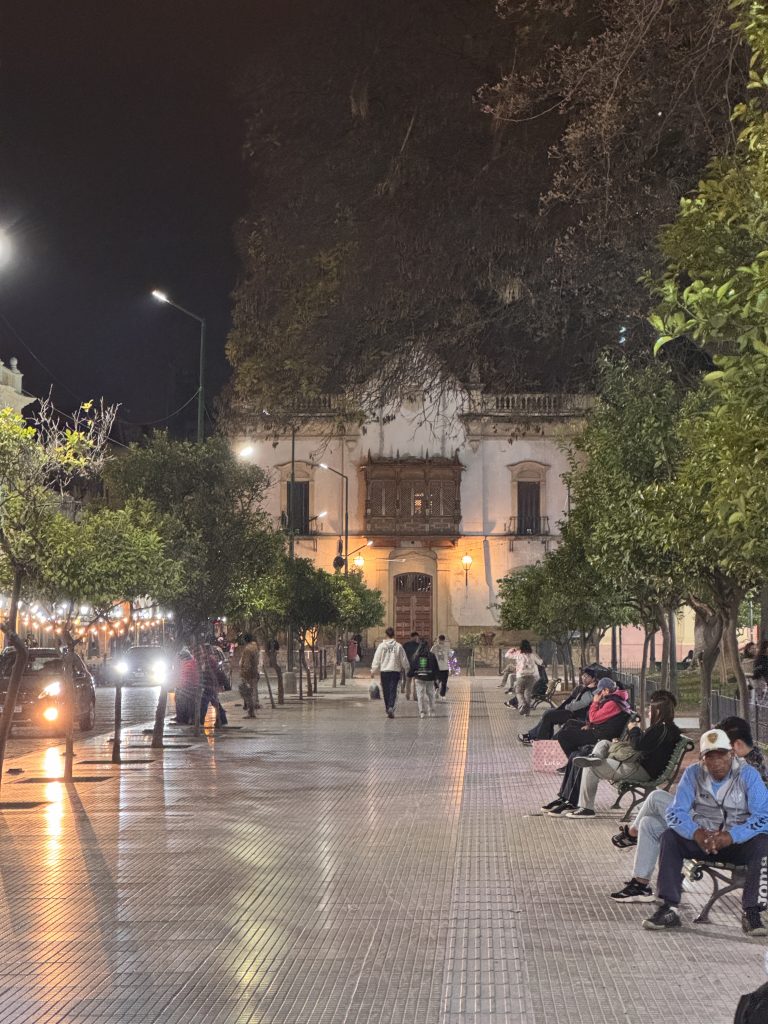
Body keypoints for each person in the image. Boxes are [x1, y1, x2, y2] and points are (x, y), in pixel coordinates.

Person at [609, 714, 767, 903]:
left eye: (721, 750)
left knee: (656, 798)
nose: (716, 759)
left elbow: (756, 815)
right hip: (709, 824)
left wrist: (721, 834)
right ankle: (640, 884)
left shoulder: (747, 771)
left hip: (729, 834)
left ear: (735, 747)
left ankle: (631, 835)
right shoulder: (752, 758)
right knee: (649, 823)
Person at [642, 728, 768, 935]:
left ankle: (752, 913)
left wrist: (732, 836)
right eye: (710, 756)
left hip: (738, 844)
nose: (716, 762)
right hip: (704, 841)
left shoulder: (748, 775)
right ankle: (669, 908)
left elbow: (763, 816)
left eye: (722, 755)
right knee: (670, 837)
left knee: (763, 843)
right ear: (702, 759)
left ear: (732, 754)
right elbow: (674, 812)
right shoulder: (693, 774)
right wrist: (696, 833)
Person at [563, 694, 680, 818]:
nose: (649, 712)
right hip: (641, 766)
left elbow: (638, 745)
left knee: (590, 767)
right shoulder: (667, 729)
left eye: (651, 710)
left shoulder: (660, 729)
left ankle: (586, 809)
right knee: (604, 743)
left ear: (658, 711)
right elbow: (644, 745)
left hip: (640, 770)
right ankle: (595, 756)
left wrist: (634, 729)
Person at [518, 667, 600, 745]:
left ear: (593, 679)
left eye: (587, 676)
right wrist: (561, 707)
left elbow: (581, 704)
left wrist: (568, 706)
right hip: (571, 711)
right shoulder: (582, 687)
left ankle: (538, 740)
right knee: (548, 713)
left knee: (549, 715)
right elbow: (571, 699)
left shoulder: (593, 691)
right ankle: (535, 736)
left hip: (576, 715)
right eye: (583, 675)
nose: (584, 678)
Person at [554, 677, 631, 756]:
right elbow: (600, 718)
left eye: (600, 692)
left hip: (601, 735)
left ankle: (574, 758)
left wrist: (595, 702)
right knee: (571, 723)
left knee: (563, 735)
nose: (599, 694)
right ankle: (564, 750)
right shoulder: (616, 698)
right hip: (601, 729)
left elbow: (593, 718)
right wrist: (590, 725)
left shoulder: (612, 703)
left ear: (606, 690)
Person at [371, 628, 410, 719]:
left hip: (384, 672)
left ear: (386, 635)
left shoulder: (381, 646)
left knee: (386, 691)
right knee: (393, 690)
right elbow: (403, 659)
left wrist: (373, 670)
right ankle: (391, 707)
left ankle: (388, 707)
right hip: (395, 671)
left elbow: (376, 659)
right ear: (394, 635)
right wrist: (407, 668)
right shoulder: (398, 646)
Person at [504, 640, 543, 715]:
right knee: (528, 694)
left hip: (521, 676)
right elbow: (540, 662)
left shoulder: (518, 653)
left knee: (518, 692)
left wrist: (512, 649)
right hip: (531, 677)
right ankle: (527, 712)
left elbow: (507, 655)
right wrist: (535, 654)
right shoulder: (532, 654)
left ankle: (522, 703)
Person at [409, 637, 440, 718]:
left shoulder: (416, 655)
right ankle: (432, 711)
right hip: (429, 677)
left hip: (419, 677)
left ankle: (422, 712)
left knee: (420, 695)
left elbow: (413, 667)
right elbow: (435, 667)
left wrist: (410, 674)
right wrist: (437, 677)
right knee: (431, 694)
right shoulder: (432, 655)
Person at [239, 633, 261, 718]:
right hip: (254, 672)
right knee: (251, 692)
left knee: (246, 693)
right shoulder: (255, 647)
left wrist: (244, 674)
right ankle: (251, 711)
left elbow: (247, 664)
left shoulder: (248, 649)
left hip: (248, 674)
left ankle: (250, 711)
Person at [431, 634, 451, 700]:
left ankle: (437, 689)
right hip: (445, 667)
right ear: (444, 640)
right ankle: (442, 695)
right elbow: (450, 656)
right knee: (444, 682)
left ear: (438, 640)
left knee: (436, 680)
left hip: (436, 667)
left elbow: (430, 656)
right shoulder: (447, 647)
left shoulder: (434, 647)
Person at [402, 632, 421, 699]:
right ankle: (412, 696)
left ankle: (410, 695)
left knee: (410, 681)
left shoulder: (406, 645)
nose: (417, 638)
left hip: (412, 665)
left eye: (417, 637)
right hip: (412, 665)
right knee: (412, 681)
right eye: (416, 637)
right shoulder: (418, 645)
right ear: (412, 637)